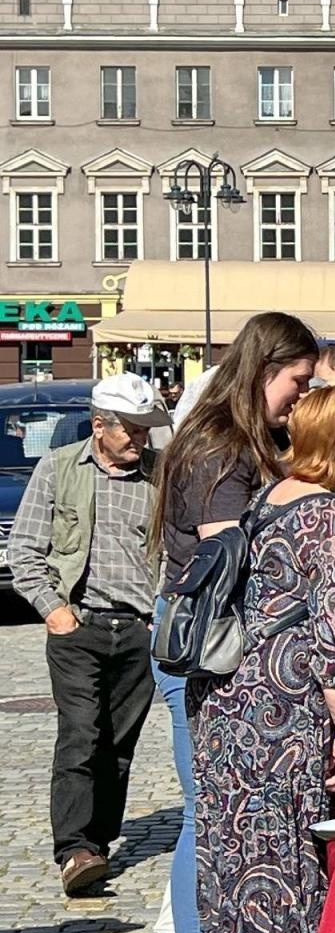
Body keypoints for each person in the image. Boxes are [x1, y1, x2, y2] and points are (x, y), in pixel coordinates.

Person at [190, 383, 335, 933]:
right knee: (287, 864)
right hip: (283, 717)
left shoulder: (270, 496)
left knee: (234, 860)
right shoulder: (334, 519)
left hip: (230, 705)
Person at [151, 311, 319, 933]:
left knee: (216, 812)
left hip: (217, 643)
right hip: (208, 647)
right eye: (298, 381)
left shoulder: (237, 437)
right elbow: (227, 556)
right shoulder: (221, 445)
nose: (302, 395)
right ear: (265, 369)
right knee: (206, 813)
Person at [9, 375, 170, 896]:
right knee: (81, 734)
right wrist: (55, 611)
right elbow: (25, 551)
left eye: (145, 430)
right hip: (80, 625)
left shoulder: (159, 475)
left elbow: (173, 552)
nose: (140, 439)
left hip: (138, 630)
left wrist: (160, 616)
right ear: (100, 426)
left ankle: (96, 844)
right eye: (131, 430)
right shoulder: (59, 468)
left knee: (119, 744)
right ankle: (74, 848)